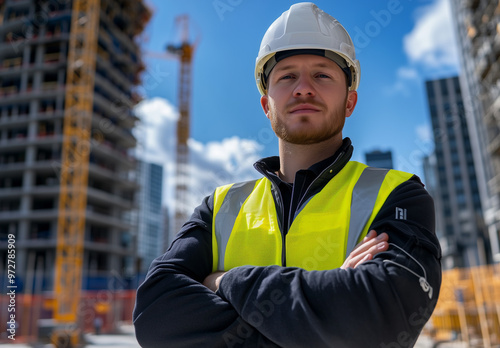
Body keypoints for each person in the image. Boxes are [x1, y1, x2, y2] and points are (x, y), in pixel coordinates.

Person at [133, 2, 442, 347]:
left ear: (350, 102)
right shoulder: (220, 207)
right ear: (267, 105)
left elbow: (382, 318)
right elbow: (154, 315)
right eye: (287, 76)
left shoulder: (397, 195)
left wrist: (225, 282)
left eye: (322, 75)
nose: (303, 88)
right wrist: (329, 308)